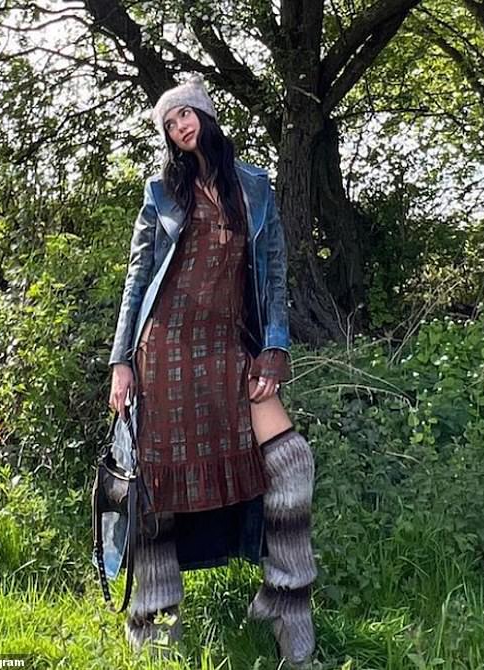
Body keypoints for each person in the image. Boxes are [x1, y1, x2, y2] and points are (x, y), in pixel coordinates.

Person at [107, 74, 317, 669]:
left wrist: (275, 347)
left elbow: (272, 272)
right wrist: (121, 360)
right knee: (154, 486)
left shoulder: (253, 186)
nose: (180, 126)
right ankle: (153, 620)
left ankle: (285, 599)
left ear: (205, 115)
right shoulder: (161, 192)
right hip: (165, 348)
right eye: (170, 123)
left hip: (229, 345)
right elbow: (137, 278)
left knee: (292, 462)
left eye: (186, 114)